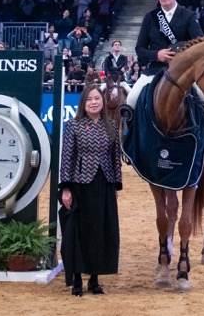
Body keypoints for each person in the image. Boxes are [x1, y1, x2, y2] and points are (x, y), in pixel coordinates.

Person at [60, 82, 123, 296]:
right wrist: (65, 188)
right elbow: (67, 157)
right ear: (83, 103)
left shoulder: (112, 126)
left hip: (104, 183)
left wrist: (115, 184)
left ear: (103, 101)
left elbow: (115, 158)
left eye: (97, 98)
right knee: (79, 231)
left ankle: (94, 279)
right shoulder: (73, 125)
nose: (94, 102)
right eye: (89, 99)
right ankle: (77, 279)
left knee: (101, 231)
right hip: (80, 184)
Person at [132, 0, 204, 99]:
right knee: (131, 99)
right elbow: (140, 48)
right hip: (155, 70)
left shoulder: (189, 16)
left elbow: (201, 46)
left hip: (184, 71)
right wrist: (157, 55)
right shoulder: (150, 18)